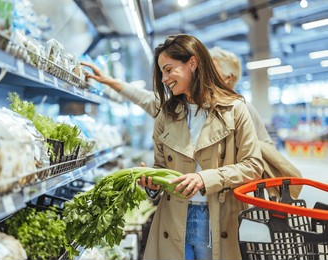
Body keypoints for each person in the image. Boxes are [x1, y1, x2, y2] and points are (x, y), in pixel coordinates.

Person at [82, 46, 303, 200]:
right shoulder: (183, 105)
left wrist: (208, 177)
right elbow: (151, 100)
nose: (201, 71)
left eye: (210, 68)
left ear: (227, 78)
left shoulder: (240, 110)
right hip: (184, 206)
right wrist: (111, 82)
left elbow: (258, 161)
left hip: (226, 206)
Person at [135, 34, 264, 260]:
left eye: (168, 69)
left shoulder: (234, 109)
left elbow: (253, 166)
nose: (164, 78)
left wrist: (206, 178)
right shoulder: (166, 116)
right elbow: (161, 166)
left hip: (216, 218)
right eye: (161, 72)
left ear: (192, 63)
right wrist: (152, 184)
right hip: (173, 218)